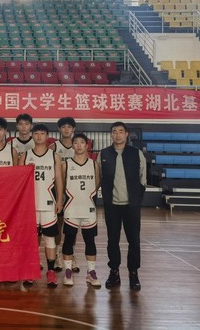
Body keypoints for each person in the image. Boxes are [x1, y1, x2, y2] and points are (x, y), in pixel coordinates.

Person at [97, 121, 147, 291]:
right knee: (112, 240)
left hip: (131, 206)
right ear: (111, 135)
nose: (117, 134)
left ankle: (133, 273)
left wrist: (136, 199)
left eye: (120, 131)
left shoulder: (136, 153)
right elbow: (99, 176)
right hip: (112, 206)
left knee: (134, 240)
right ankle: (114, 272)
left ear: (126, 134)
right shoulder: (103, 154)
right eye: (114, 131)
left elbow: (143, 178)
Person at [18, 123, 63, 288]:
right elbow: (19, 181)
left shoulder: (54, 156)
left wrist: (60, 200)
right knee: (31, 240)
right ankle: (31, 270)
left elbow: (59, 179)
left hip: (48, 203)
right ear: (32, 135)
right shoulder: (25, 155)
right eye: (36, 133)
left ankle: (50, 271)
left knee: (50, 239)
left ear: (47, 136)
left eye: (42, 133)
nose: (38, 136)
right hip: (30, 205)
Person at [61, 133, 101, 287]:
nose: (79, 145)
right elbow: (62, 184)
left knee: (90, 241)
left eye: (82, 142)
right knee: (68, 240)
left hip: (88, 208)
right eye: (76, 142)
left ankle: (91, 272)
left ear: (87, 145)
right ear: (72, 145)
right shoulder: (66, 164)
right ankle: (68, 271)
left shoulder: (94, 164)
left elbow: (96, 184)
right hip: (71, 207)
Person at [49, 117, 78, 272]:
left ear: (73, 129)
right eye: (63, 127)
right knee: (58, 225)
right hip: (58, 190)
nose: (66, 129)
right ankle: (58, 255)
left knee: (72, 225)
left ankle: (71, 255)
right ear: (59, 129)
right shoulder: (53, 147)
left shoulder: (78, 146)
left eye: (69, 127)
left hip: (74, 191)